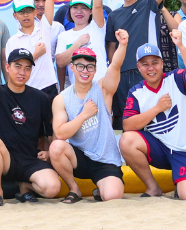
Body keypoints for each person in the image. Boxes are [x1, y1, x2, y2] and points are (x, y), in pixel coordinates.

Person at [121, 13, 186, 199]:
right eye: (145, 64)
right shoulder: (136, 92)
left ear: (162, 63)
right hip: (160, 148)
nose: (150, 68)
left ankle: (183, 182)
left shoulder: (175, 78)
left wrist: (181, 46)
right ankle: (153, 187)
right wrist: (157, 109)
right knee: (127, 140)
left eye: (154, 63)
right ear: (138, 67)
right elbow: (128, 125)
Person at [0, 31, 61, 204]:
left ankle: (25, 186)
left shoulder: (41, 98)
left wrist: (50, 151)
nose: (22, 72)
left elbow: (51, 131)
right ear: (7, 68)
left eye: (27, 68)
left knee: (52, 188)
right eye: (18, 66)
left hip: (31, 160)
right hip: (6, 160)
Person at [52, 32, 131, 201]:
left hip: (105, 160)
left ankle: (100, 189)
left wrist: (123, 44)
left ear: (95, 70)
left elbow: (115, 66)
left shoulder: (102, 89)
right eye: (80, 66)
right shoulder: (61, 99)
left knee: (113, 196)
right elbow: (60, 133)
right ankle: (74, 189)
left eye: (89, 67)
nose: (85, 71)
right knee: (56, 147)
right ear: (72, 67)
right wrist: (84, 115)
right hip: (79, 158)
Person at [5, 0, 57, 95]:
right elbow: (14, 68)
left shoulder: (44, 28)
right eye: (21, 12)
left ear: (35, 12)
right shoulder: (12, 41)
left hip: (48, 87)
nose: (25, 15)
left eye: (29, 11)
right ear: (15, 16)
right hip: (27, 89)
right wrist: (36, 54)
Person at [55, 0, 105, 87]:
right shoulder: (64, 36)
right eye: (75, 7)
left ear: (91, 11)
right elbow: (60, 62)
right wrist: (78, 44)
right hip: (78, 90)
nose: (79, 11)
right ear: (70, 10)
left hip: (100, 87)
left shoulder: (96, 27)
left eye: (84, 8)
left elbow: (98, 5)